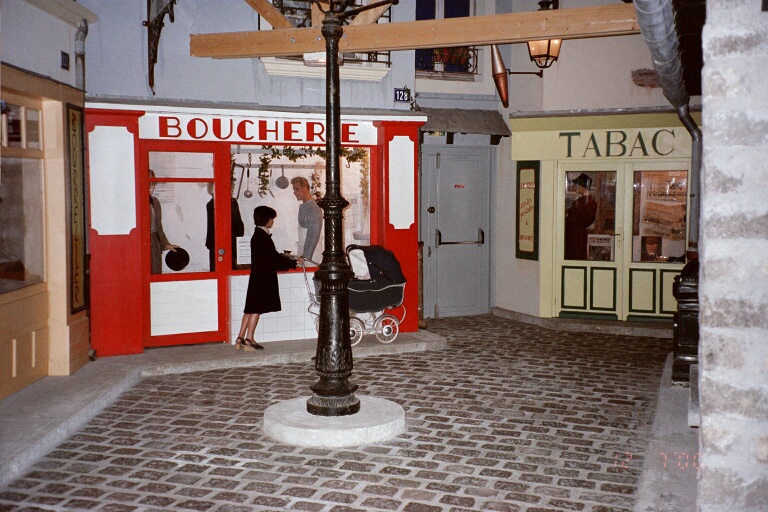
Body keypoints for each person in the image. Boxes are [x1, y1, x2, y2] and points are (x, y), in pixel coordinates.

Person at [236, 206, 302, 350]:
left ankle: (239, 338)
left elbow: (271, 257)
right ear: (267, 220)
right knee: (256, 309)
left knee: (249, 307)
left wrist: (288, 261)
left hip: (256, 277)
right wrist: (293, 262)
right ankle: (249, 338)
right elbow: (273, 258)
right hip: (263, 278)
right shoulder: (263, 237)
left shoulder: (256, 235)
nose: (272, 221)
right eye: (272, 218)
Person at [206, 179, 245, 271]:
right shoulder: (230, 202)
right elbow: (238, 225)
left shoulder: (211, 203)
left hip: (216, 243)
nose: (232, 190)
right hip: (228, 242)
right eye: (231, 187)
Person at [149, 169, 179, 274]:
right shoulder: (134, 203)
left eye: (153, 184)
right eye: (149, 184)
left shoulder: (155, 202)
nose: (152, 187)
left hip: (155, 246)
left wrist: (166, 244)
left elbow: (158, 227)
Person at [564, 173, 598, 260]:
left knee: (575, 257)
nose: (576, 187)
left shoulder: (588, 202)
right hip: (574, 235)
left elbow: (585, 220)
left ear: (582, 186)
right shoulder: (583, 201)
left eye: (577, 185)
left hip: (576, 236)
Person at [291, 176, 322, 262]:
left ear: (304, 188)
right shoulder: (305, 206)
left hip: (312, 253)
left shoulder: (313, 208)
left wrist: (306, 256)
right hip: (303, 250)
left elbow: (313, 234)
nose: (294, 192)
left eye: (296, 189)